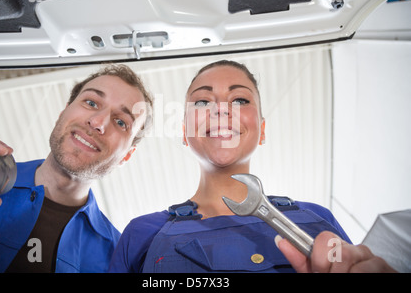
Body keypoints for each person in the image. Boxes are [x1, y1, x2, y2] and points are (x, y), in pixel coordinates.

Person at [109, 60, 396, 273]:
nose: (221, 108)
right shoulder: (141, 233)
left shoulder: (317, 219)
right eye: (202, 101)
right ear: (185, 133)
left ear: (262, 129)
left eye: (240, 99)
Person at [0, 64, 153, 273]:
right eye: (91, 102)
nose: (98, 122)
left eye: (121, 122)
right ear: (63, 112)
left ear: (126, 155)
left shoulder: (118, 258)